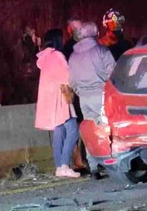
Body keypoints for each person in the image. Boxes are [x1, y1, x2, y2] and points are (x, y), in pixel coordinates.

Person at [69, 22, 116, 180]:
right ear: (96, 34)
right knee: (106, 128)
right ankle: (111, 160)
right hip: (101, 94)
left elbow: (72, 81)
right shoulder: (101, 50)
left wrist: (81, 92)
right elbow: (113, 73)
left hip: (84, 98)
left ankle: (93, 165)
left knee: (90, 130)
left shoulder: (73, 55)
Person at [34, 29, 80, 178]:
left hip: (48, 100)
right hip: (60, 99)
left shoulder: (45, 58)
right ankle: (65, 165)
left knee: (59, 132)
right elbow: (67, 77)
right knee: (73, 129)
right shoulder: (57, 56)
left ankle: (59, 166)